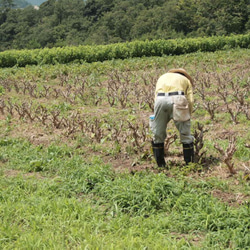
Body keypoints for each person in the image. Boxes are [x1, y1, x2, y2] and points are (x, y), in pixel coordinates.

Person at [150, 68, 194, 167]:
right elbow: (190, 99)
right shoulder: (185, 80)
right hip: (178, 98)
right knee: (185, 133)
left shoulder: (162, 77)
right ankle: (189, 164)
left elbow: (155, 96)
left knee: (158, 133)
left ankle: (160, 165)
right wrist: (188, 114)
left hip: (160, 100)